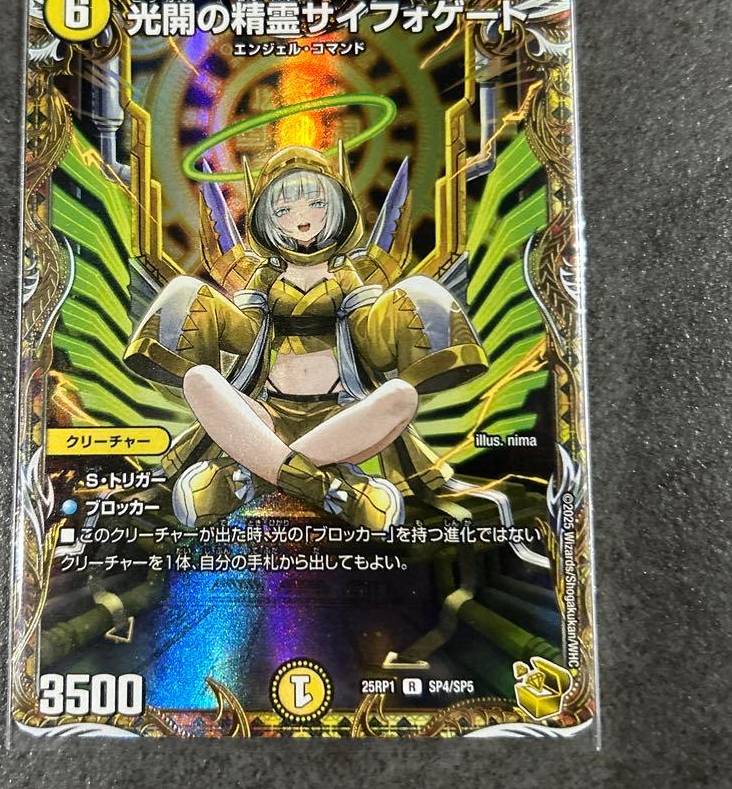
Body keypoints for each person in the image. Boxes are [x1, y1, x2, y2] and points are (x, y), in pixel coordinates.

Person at [124, 144, 488, 531]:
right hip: (265, 414)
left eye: (316, 204)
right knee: (200, 377)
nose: (302, 218)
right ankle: (334, 490)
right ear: (266, 218)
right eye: (284, 210)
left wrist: (389, 310)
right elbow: (246, 338)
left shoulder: (346, 274)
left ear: (337, 208)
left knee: (401, 394)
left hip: (341, 415)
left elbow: (373, 345)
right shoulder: (265, 276)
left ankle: (255, 475)